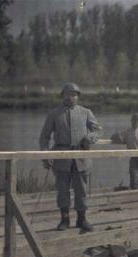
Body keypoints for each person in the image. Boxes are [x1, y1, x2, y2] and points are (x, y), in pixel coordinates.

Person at [39, 82, 102, 232]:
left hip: (81, 156)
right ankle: (64, 219)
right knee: (62, 190)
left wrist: (89, 138)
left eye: (74, 95)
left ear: (77, 97)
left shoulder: (86, 112)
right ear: (63, 96)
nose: (71, 97)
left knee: (81, 189)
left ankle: (82, 219)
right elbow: (44, 137)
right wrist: (45, 155)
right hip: (61, 156)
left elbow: (98, 130)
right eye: (68, 94)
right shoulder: (54, 114)